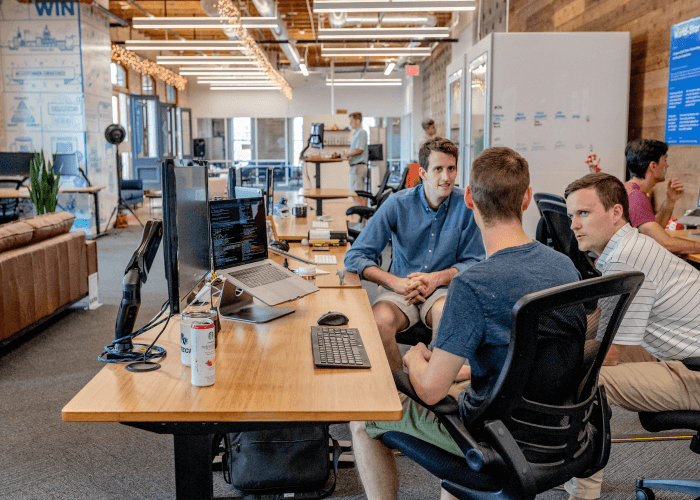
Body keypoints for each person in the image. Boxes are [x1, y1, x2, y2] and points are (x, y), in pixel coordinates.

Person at [350, 146, 585, 500]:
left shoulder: (472, 286)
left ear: (471, 199)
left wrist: (414, 357)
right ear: (527, 199)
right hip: (557, 428)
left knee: (360, 420)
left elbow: (429, 390)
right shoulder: (564, 266)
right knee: (457, 386)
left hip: (493, 438)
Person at [564, 172, 700, 500]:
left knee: (585, 382)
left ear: (615, 213)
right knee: (578, 362)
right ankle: (575, 479)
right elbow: (598, 327)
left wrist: (553, 366)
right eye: (571, 216)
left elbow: (610, 353)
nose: (573, 226)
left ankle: (583, 492)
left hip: (694, 371)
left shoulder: (627, 258)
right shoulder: (627, 247)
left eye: (583, 213)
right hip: (680, 355)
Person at [344, 137, 485, 371]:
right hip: (401, 289)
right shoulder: (397, 204)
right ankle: (401, 389)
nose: (446, 177)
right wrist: (395, 283)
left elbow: (476, 262)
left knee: (446, 317)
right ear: (423, 172)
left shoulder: (467, 206)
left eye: (451, 169)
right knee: (379, 322)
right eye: (438, 169)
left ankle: (432, 386)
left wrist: (437, 278)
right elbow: (355, 256)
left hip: (442, 291)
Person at [624, 139, 700, 254]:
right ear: (653, 165)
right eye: (665, 160)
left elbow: (654, 232)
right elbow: (665, 243)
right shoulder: (635, 197)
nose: (667, 165)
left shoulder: (629, 189)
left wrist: (670, 201)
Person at [347, 112, 368, 204]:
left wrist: (347, 154)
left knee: (358, 194)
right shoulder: (356, 133)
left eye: (351, 121)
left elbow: (359, 150)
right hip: (355, 167)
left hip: (359, 167)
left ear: (357, 121)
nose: (350, 124)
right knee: (356, 193)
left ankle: (362, 217)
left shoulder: (361, 132)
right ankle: (361, 217)